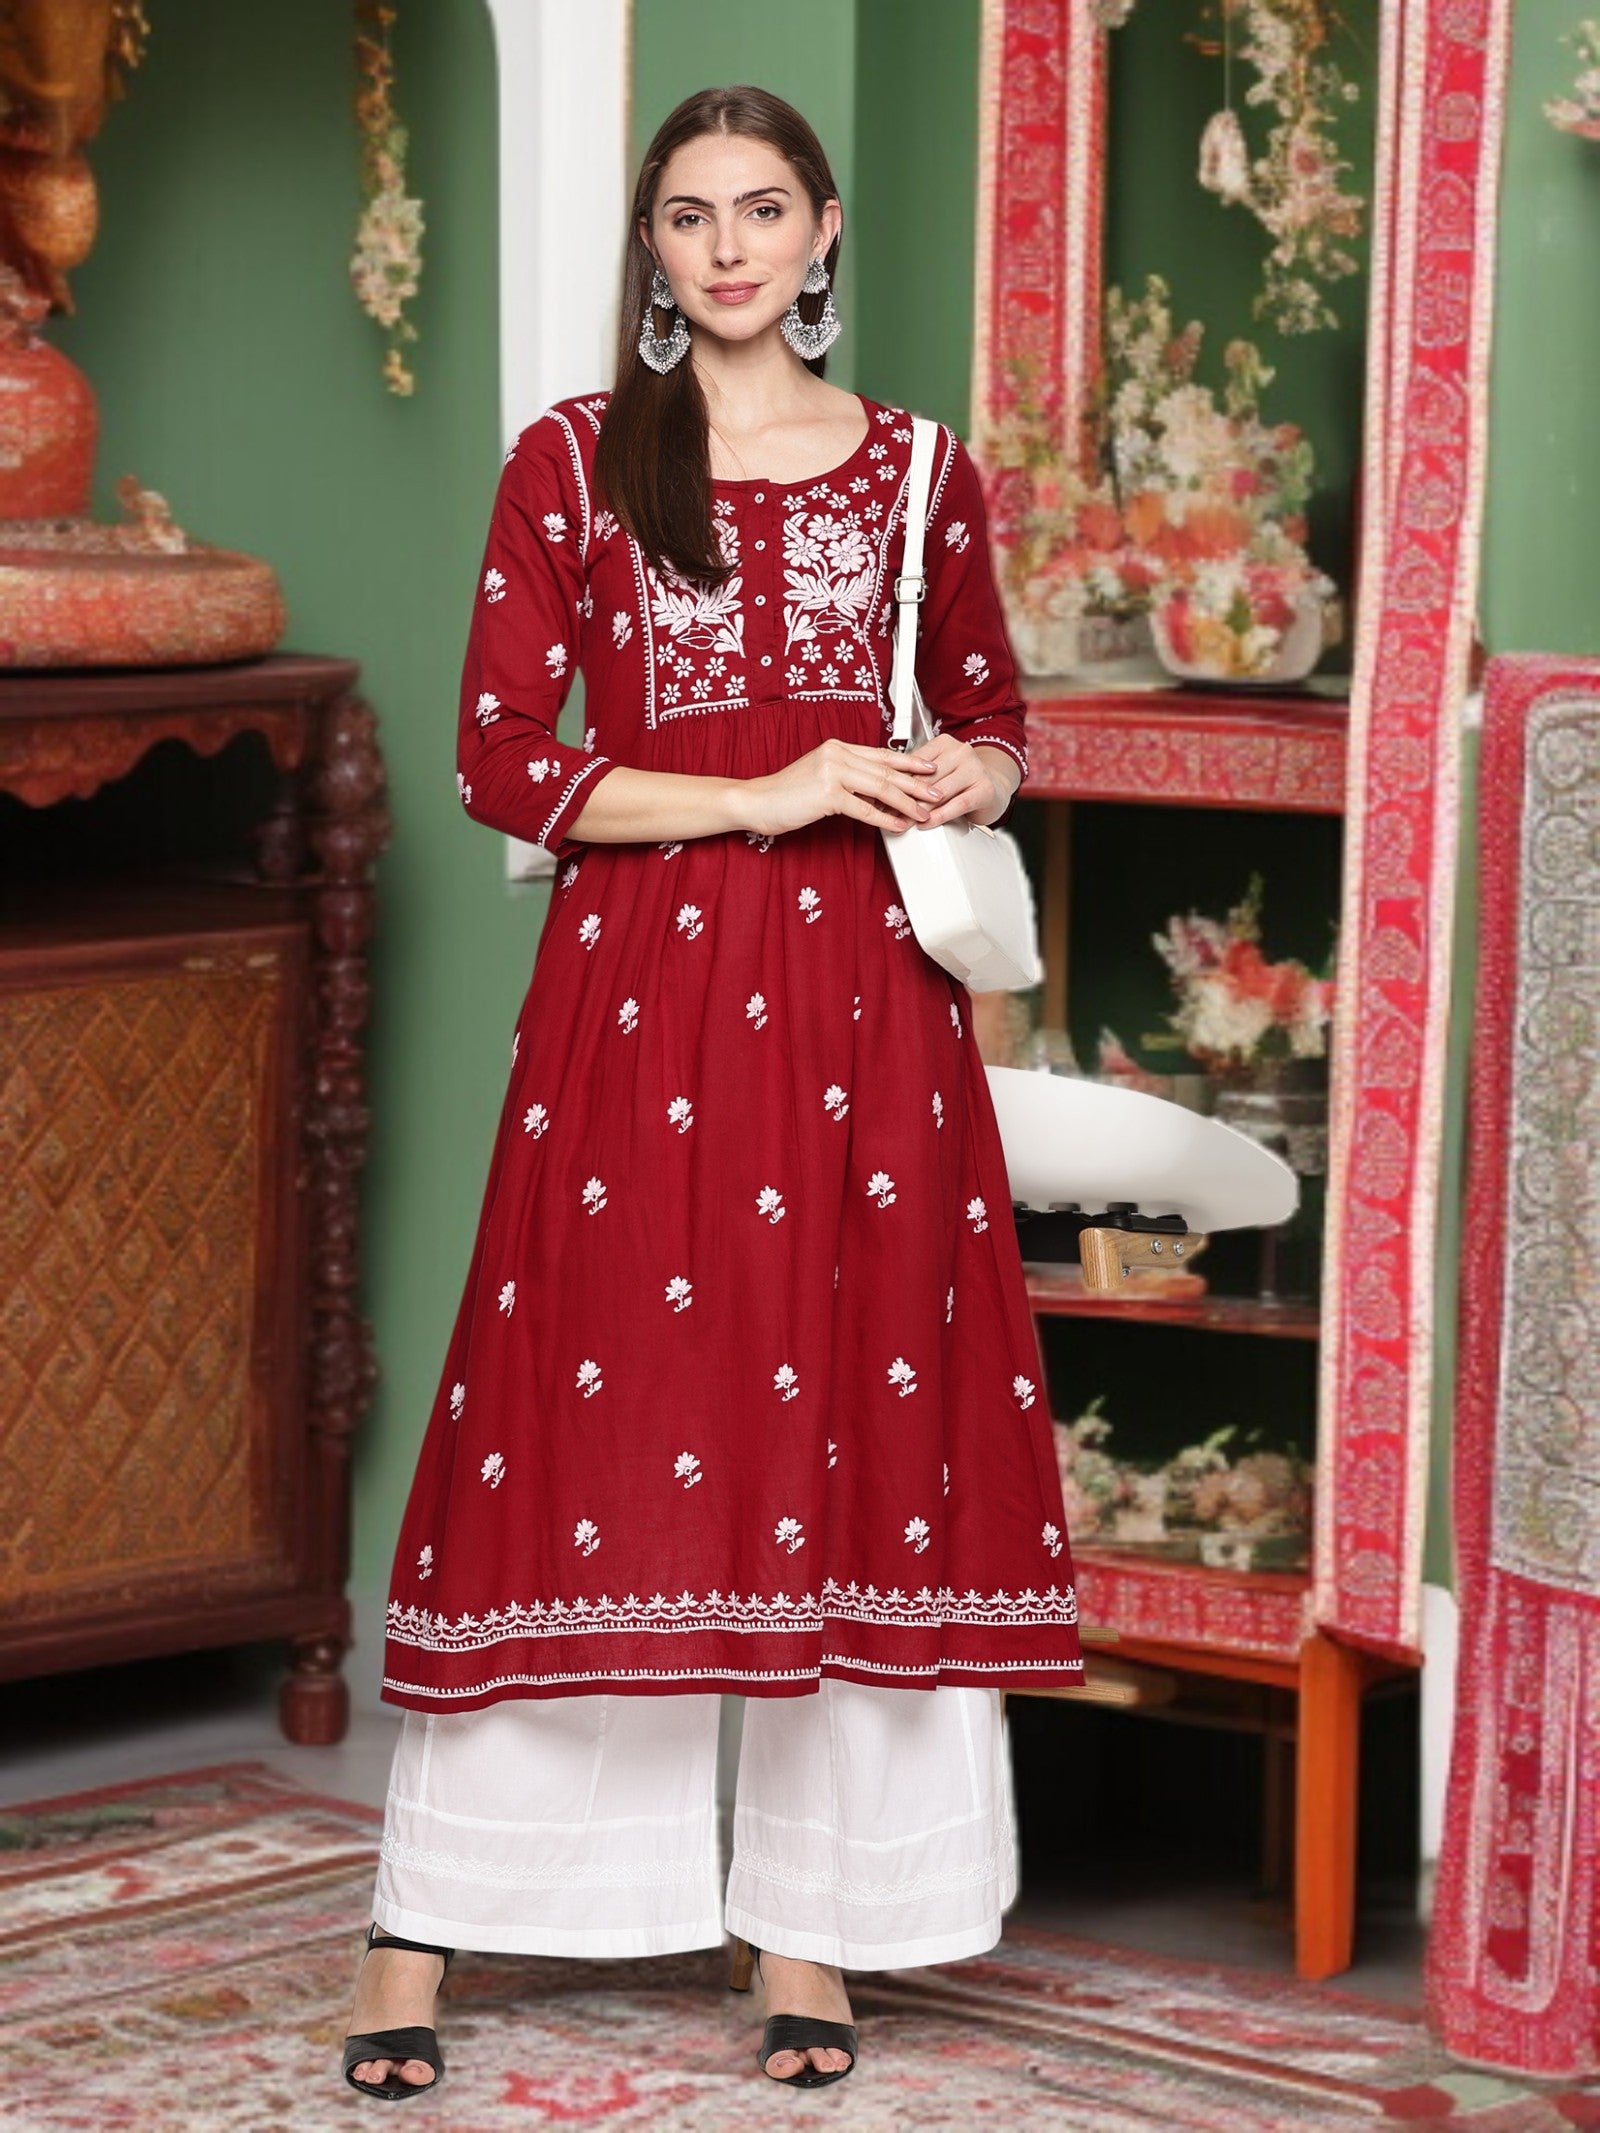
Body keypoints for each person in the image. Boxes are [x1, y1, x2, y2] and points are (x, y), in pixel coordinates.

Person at [342, 81, 1082, 2102]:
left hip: (867, 1000)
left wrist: (967, 771)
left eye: (765, 209)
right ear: (652, 249)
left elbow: (996, 701)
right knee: (581, 1421)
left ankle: (817, 1922)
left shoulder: (923, 468)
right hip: (642, 996)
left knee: (849, 1410)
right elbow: (504, 755)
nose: (732, 245)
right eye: (691, 215)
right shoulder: (576, 462)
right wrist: (754, 792)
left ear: (823, 232)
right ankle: (432, 1921)